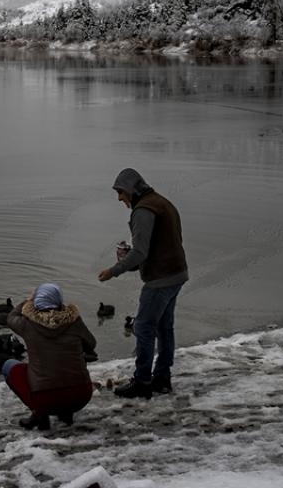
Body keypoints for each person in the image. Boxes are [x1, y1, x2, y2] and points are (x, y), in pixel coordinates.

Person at [98, 168, 187, 399]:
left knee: (144, 328)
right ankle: (162, 378)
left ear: (130, 190)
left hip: (160, 279)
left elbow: (139, 252)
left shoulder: (144, 210)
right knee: (164, 327)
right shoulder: (162, 202)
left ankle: (143, 381)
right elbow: (165, 241)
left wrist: (113, 270)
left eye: (120, 192)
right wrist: (137, 259)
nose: (119, 198)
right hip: (177, 273)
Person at [2, 282, 97, 430]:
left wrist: (28, 301)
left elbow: (11, 317)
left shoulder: (26, 324)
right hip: (80, 394)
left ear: (36, 302)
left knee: (9, 366)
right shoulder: (75, 321)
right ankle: (67, 414)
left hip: (46, 399)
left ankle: (40, 415)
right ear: (59, 301)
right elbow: (92, 343)